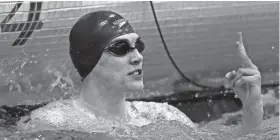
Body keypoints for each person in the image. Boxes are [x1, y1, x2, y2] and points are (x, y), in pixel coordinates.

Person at [17, 11, 263, 135]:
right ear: (89, 61)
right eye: (121, 48)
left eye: (138, 46)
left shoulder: (164, 116)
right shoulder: (49, 122)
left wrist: (252, 106)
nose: (138, 56)